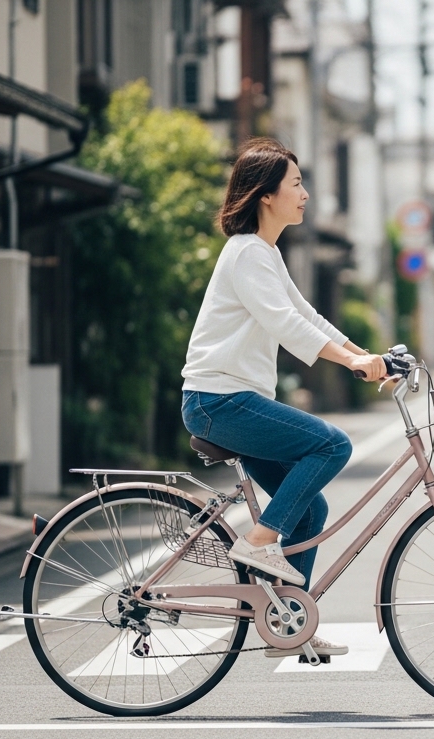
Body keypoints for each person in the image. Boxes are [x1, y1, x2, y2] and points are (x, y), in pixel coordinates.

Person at [180, 137, 386, 658]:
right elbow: (285, 324)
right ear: (265, 195)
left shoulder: (264, 254)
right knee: (332, 446)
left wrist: (365, 355)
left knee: (310, 509)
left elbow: (308, 315)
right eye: (296, 184)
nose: (306, 195)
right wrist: (351, 361)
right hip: (217, 401)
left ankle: (287, 620)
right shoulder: (247, 253)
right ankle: (258, 541)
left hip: (232, 401)